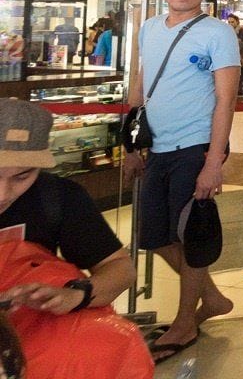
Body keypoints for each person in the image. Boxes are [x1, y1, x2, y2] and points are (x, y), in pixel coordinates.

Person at [122, 0, 240, 365]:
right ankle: (212, 298)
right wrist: (131, 145)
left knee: (191, 236)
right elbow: (140, 86)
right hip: (157, 147)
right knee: (155, 236)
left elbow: (226, 100)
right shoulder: (150, 28)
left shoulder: (218, 33)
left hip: (196, 147)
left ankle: (185, 322)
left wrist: (213, 162)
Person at [0, 98, 151, 375]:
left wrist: (75, 295)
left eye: (22, 176)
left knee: (106, 346)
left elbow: (120, 269)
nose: (3, 194)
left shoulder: (57, 197)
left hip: (30, 341)